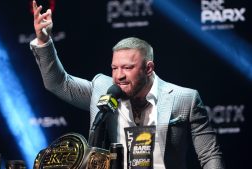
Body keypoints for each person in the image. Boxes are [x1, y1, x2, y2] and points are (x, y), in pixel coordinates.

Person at [30, 1, 225, 169]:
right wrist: (44, 40)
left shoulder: (184, 99)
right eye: (114, 68)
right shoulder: (103, 89)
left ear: (148, 68)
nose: (118, 76)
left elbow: (209, 155)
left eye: (127, 68)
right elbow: (58, 83)